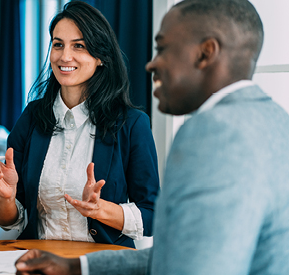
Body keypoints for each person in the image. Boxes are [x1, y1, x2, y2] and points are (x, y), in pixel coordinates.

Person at [14, 0, 289, 274]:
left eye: (163, 48)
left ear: (205, 53)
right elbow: (179, 257)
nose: (151, 64)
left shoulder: (211, 131)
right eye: (58, 44)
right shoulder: (275, 119)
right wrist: (77, 267)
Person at [0, 0, 159, 248]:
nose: (65, 56)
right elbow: (12, 221)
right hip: (41, 260)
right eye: (58, 45)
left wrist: (100, 210)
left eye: (79, 46)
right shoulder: (32, 118)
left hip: (103, 264)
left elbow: (152, 215)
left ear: (101, 57)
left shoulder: (131, 124)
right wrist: (8, 198)